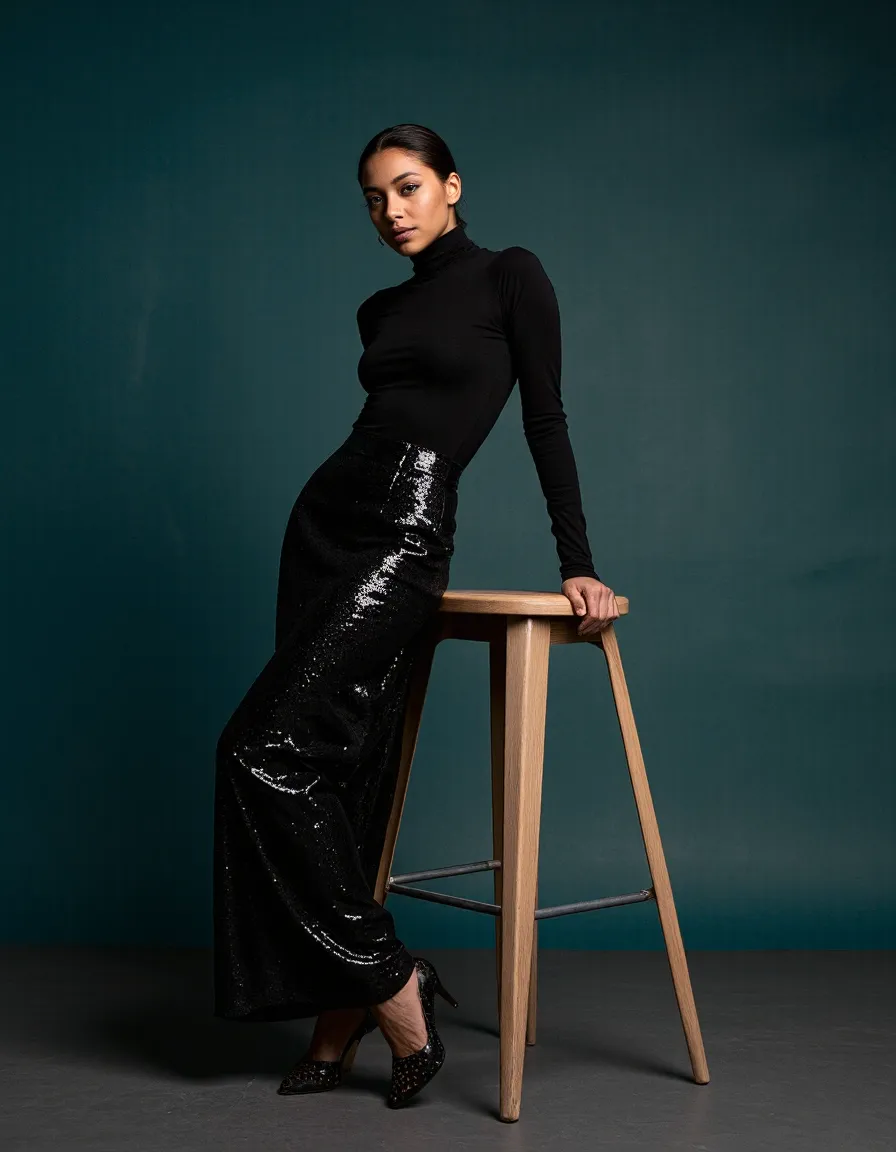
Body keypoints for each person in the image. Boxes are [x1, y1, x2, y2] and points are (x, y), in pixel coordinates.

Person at [213, 123, 619, 1108]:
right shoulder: (377, 309)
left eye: (406, 187)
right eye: (371, 196)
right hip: (326, 521)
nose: (389, 210)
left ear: (450, 185)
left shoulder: (507, 277)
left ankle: (389, 982)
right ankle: (342, 1008)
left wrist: (578, 564)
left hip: (404, 526)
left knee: (257, 752)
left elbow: (544, 419)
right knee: (332, 767)